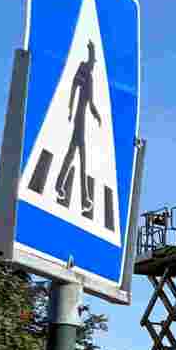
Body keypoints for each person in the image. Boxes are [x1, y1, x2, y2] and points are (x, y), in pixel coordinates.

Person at [55, 41, 102, 218]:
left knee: (73, 154)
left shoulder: (90, 76)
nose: (93, 64)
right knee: (81, 157)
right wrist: (69, 109)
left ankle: (62, 186)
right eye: (93, 60)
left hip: (82, 119)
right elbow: (74, 88)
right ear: (90, 58)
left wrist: (97, 115)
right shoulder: (83, 69)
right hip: (78, 119)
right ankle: (84, 198)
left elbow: (91, 102)